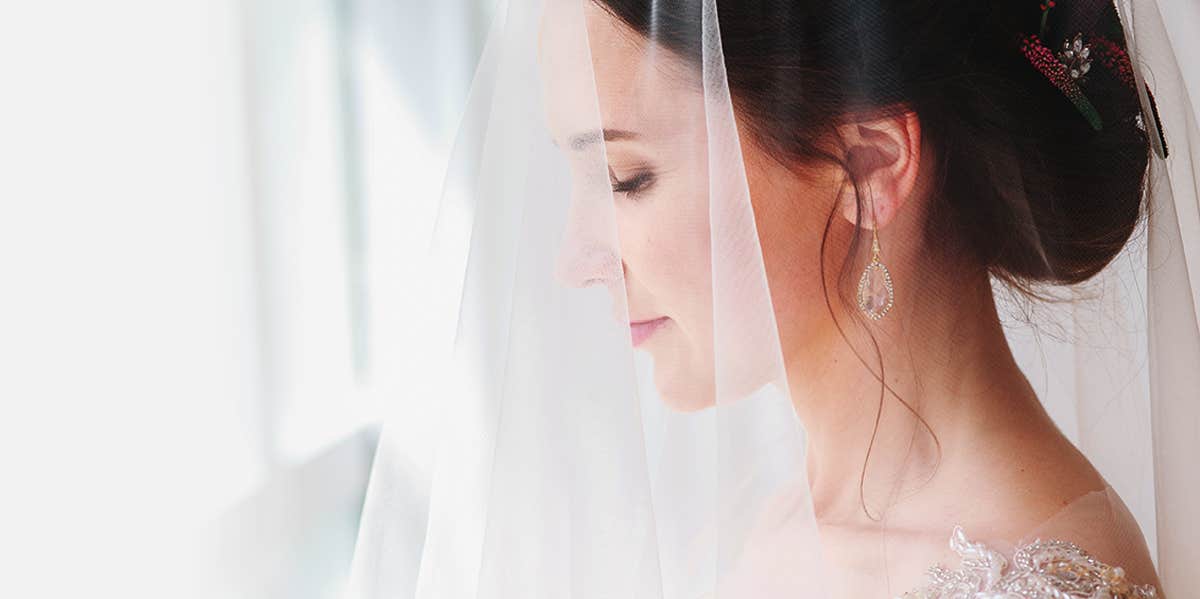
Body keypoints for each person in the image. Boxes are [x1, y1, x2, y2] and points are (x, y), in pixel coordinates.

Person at [349, 1, 1199, 597]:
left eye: (625, 177)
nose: (575, 260)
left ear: (870, 168)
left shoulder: (1036, 586)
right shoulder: (768, 508)